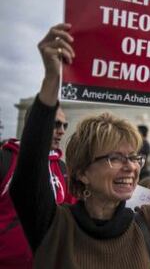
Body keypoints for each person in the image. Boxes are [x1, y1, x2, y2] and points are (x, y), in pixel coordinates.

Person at [9, 23, 150, 269]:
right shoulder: (53, 225)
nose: (131, 167)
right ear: (82, 172)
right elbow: (29, 173)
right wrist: (51, 82)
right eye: (116, 158)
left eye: (134, 157)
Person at [0, 105, 76, 269]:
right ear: (34, 124)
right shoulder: (4, 160)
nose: (62, 131)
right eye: (55, 124)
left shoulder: (63, 169)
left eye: (65, 125)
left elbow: (72, 213)